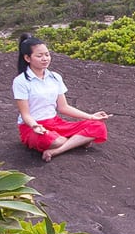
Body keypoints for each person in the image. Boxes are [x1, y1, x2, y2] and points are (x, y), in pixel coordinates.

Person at [12, 33, 110, 162]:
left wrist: (91, 116)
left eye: (47, 54)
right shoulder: (21, 81)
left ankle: (57, 151)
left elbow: (64, 107)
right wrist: (35, 126)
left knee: (98, 125)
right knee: (51, 139)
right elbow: (26, 115)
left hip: (55, 123)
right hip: (33, 127)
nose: (45, 59)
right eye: (39, 56)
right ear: (27, 58)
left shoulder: (55, 77)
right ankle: (77, 141)